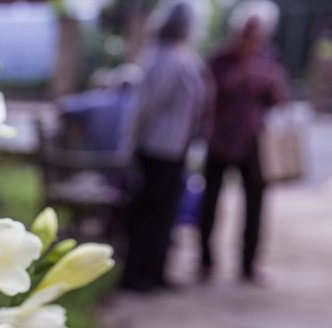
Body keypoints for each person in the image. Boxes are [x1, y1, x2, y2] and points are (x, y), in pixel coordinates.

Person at [197, 0, 289, 284]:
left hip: (254, 144)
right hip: (221, 141)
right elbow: (210, 94)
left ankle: (248, 265)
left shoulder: (269, 58)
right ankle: (205, 261)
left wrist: (259, 70)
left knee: (255, 206)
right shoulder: (221, 58)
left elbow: (279, 97)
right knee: (210, 204)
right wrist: (242, 66)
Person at [122, 1, 208, 292]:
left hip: (173, 149)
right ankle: (136, 275)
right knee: (149, 213)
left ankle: (155, 272)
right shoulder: (164, 57)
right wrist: (129, 144)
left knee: (164, 214)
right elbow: (145, 107)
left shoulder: (178, 56)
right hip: (156, 149)